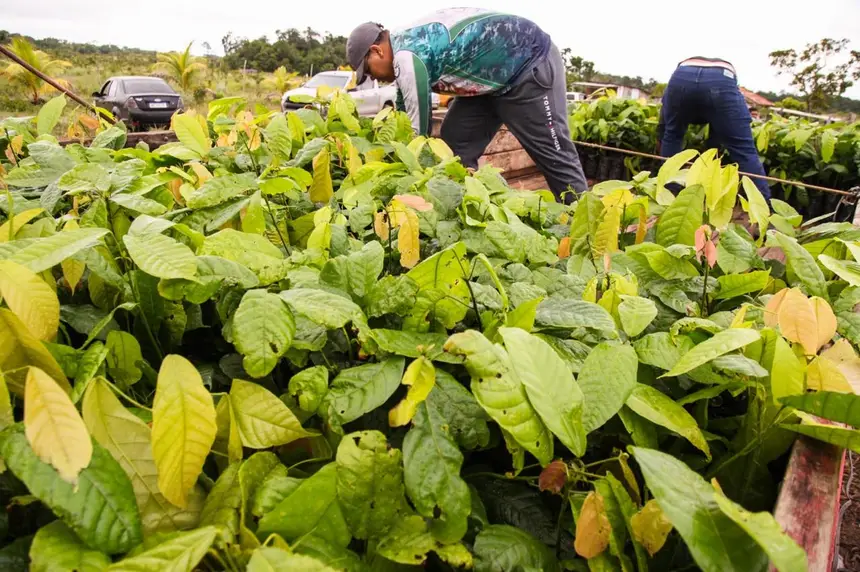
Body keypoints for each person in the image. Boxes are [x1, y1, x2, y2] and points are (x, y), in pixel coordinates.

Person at [346, 8, 587, 202]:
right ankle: (467, 208)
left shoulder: (407, 56)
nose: (374, 79)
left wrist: (403, 183)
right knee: (455, 142)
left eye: (368, 70)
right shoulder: (403, 46)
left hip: (527, 65)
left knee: (555, 156)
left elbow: (418, 133)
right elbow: (402, 110)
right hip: (490, 82)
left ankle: (584, 234)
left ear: (377, 50)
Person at [657, 56, 771, 199]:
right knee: (743, 149)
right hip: (722, 77)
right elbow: (720, 131)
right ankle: (766, 209)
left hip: (682, 74)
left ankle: (668, 196)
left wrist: (662, 135)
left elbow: (664, 124)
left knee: (672, 135)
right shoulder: (729, 87)